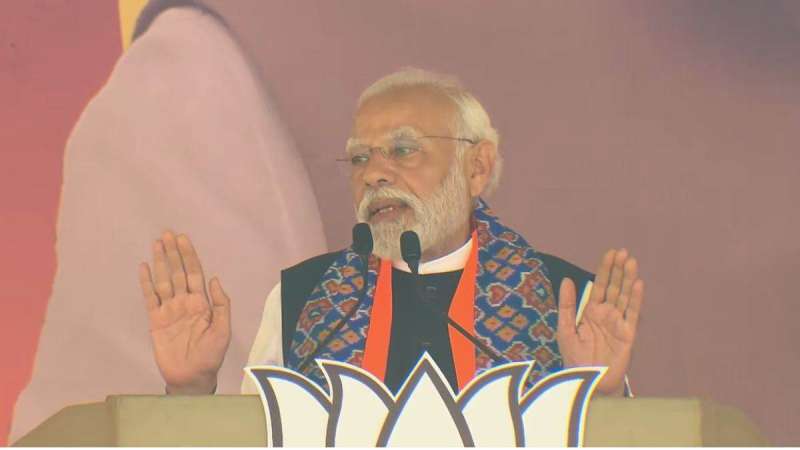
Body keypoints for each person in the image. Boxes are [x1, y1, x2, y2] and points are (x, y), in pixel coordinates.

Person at [139, 69, 644, 397]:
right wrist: (190, 389)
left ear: (476, 166)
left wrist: (602, 395)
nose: (374, 174)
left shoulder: (564, 301)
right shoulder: (302, 301)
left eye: (403, 150)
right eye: (360, 157)